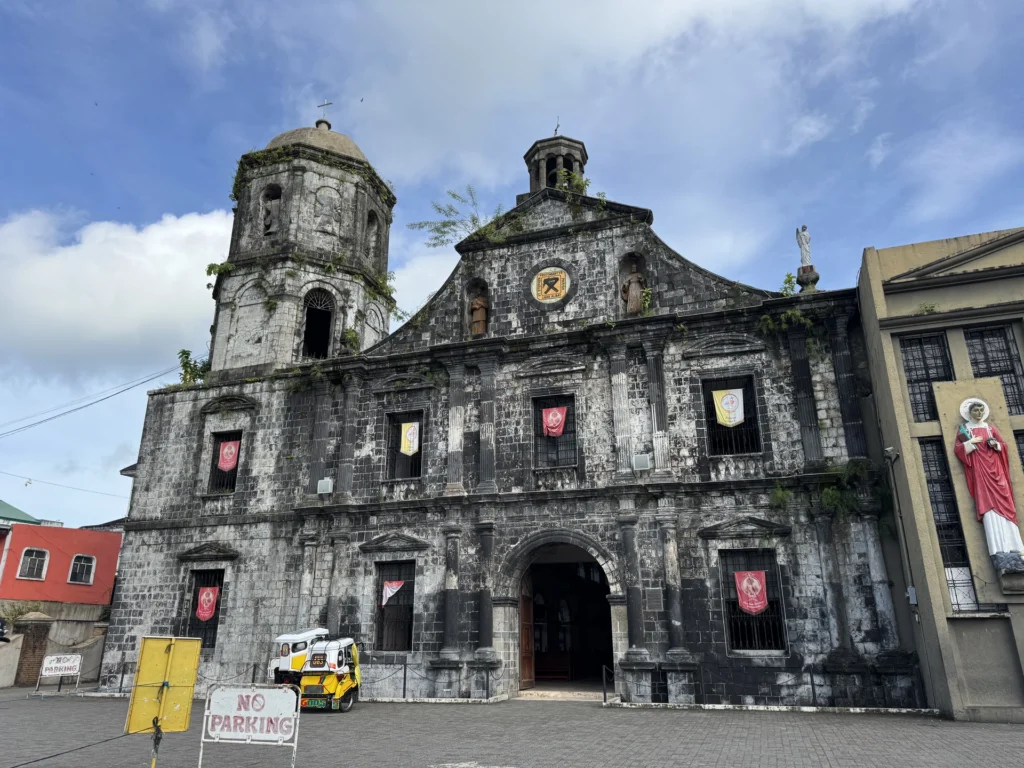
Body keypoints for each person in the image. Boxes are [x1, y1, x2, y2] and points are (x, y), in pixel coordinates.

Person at [953, 398, 1024, 571]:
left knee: (1005, 503)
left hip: (997, 471)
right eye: (975, 410)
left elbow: (1003, 446)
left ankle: (1016, 548)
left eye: (981, 410)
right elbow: (958, 449)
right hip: (981, 472)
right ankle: (999, 550)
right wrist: (971, 442)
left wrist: (996, 445)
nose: (979, 413)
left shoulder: (990, 428)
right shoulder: (965, 429)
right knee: (989, 506)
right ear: (969, 413)